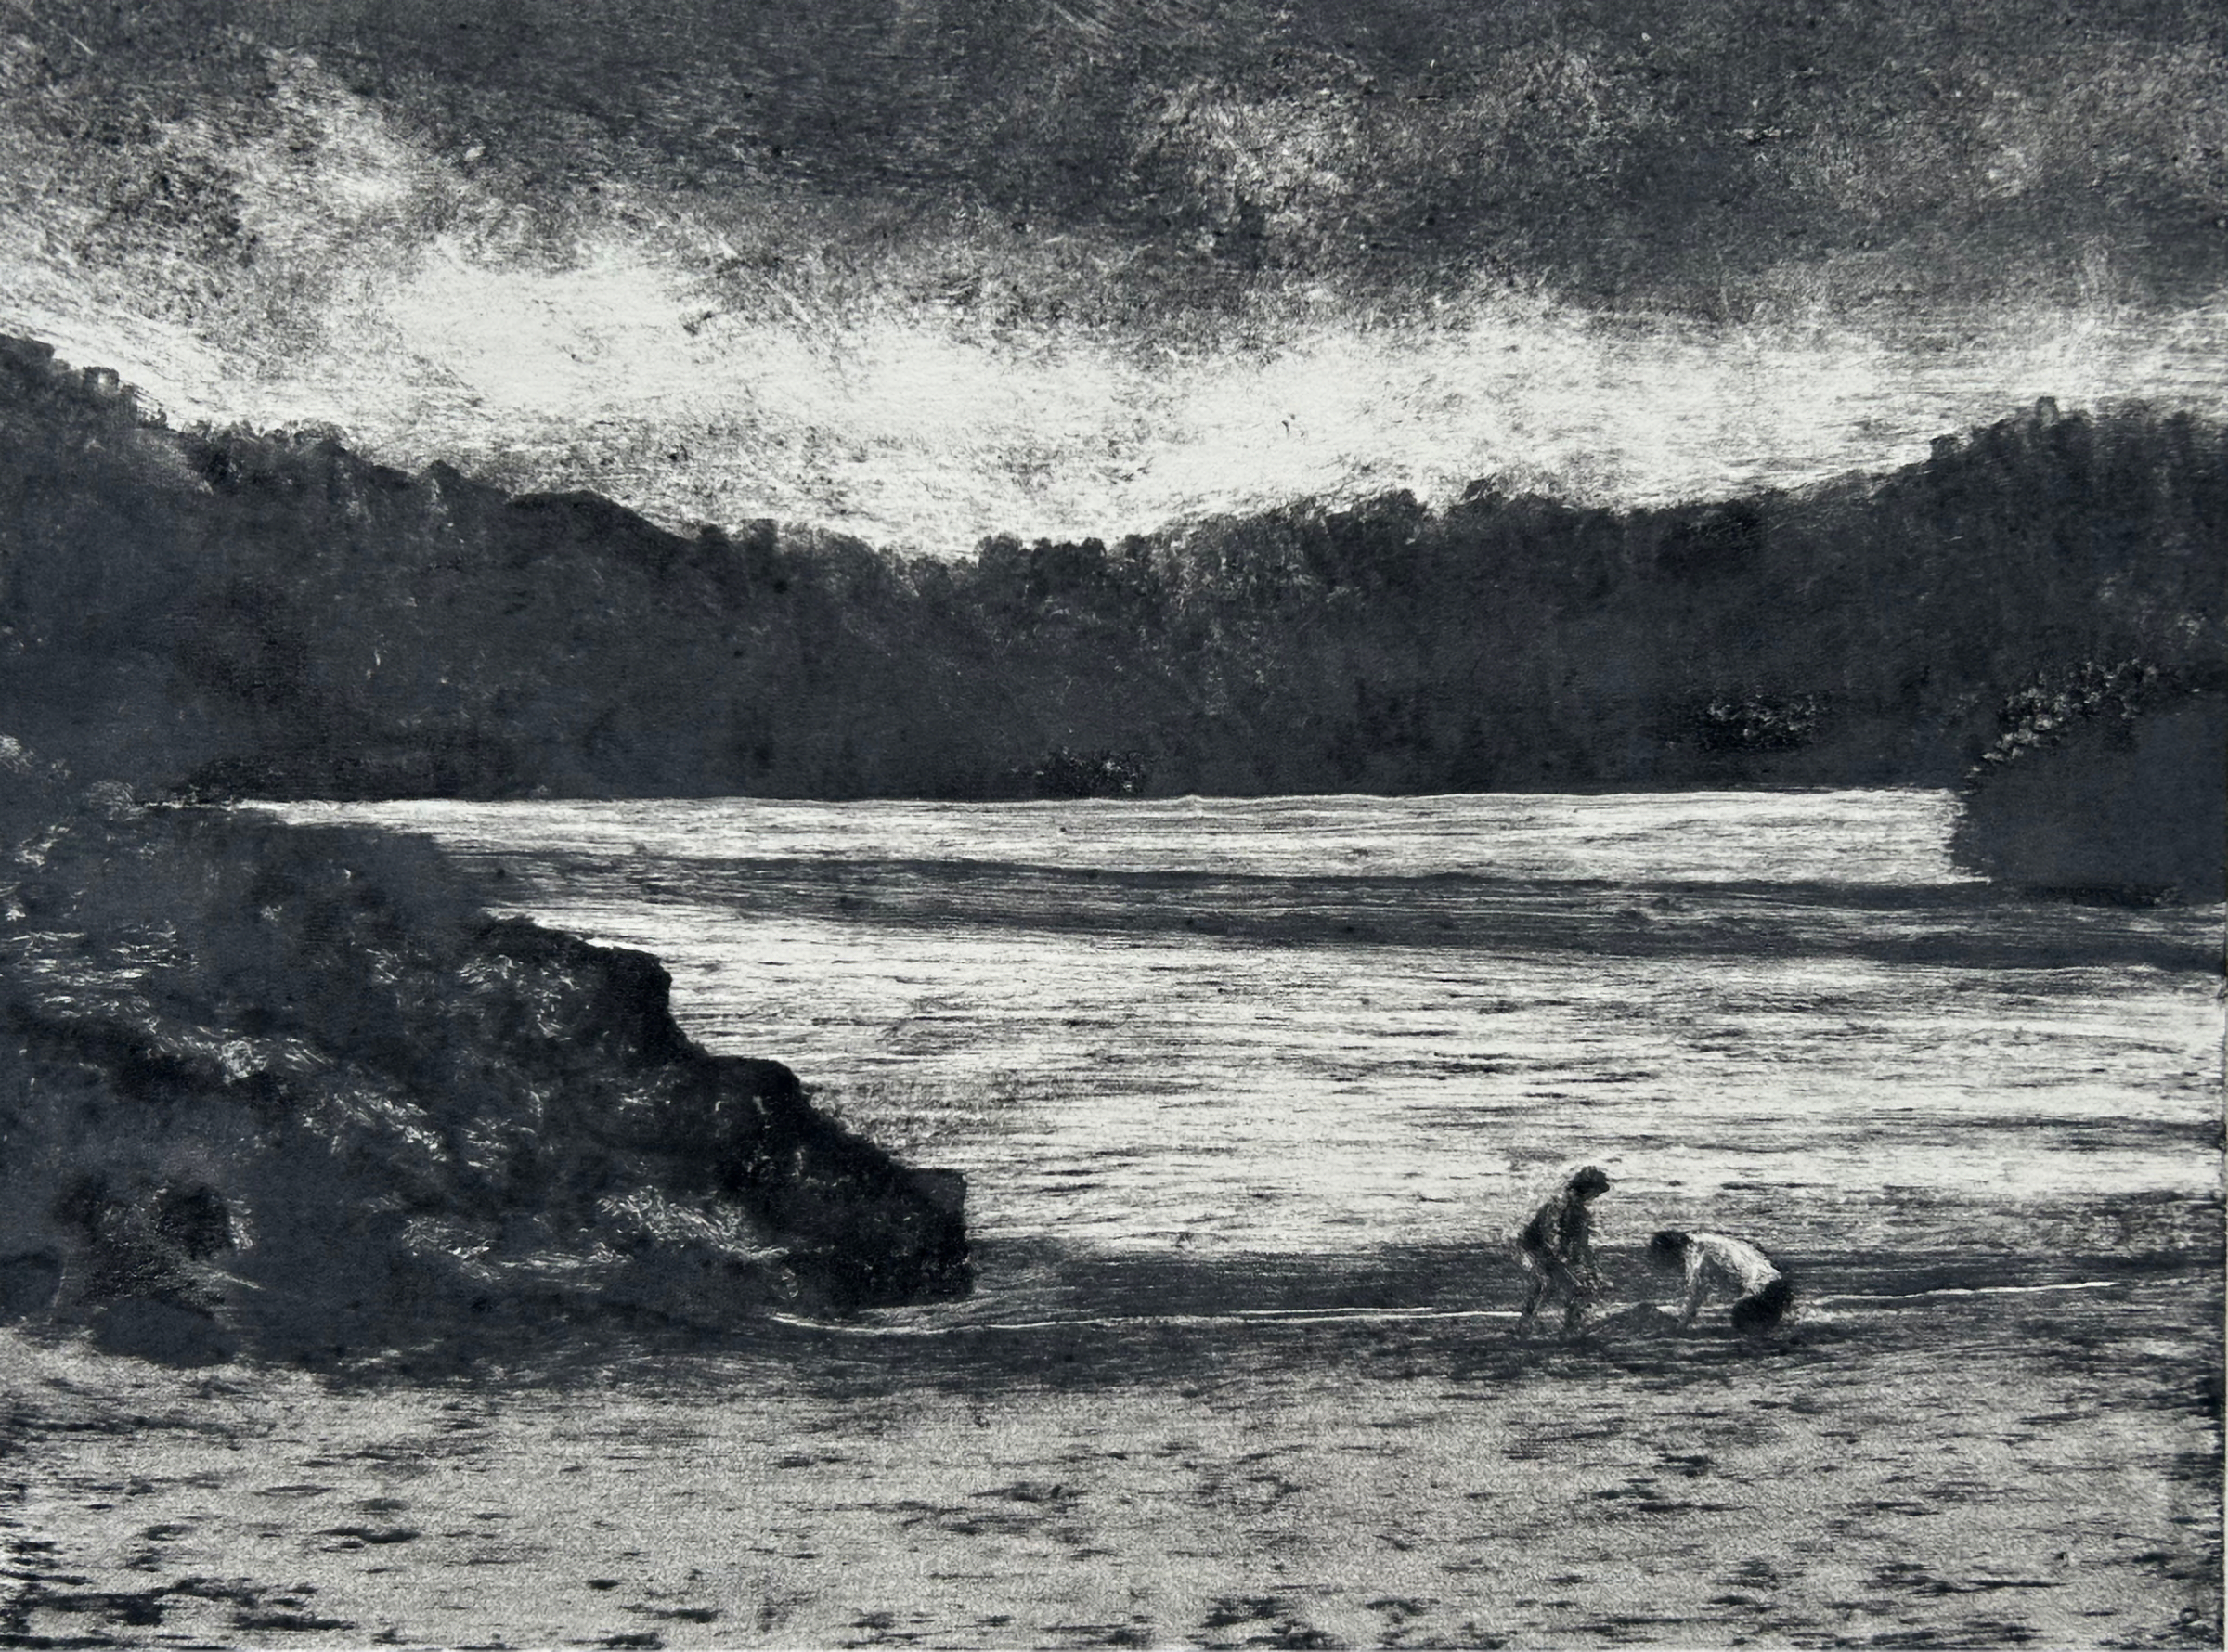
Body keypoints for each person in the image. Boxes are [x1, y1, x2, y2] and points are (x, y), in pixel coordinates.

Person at [1515, 1166, 1610, 1336]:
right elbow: (1550, 1237)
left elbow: (1582, 1245)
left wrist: (1591, 1270)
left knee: (1570, 1287)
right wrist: (1566, 1263)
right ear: (1587, 1189)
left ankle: (1561, 1326)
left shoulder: (1579, 1211)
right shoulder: (1559, 1206)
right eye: (1594, 1193)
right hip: (1535, 1249)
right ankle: (1535, 1325)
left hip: (1551, 1252)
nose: (1595, 1197)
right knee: (1552, 1285)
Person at [1647, 1229, 1794, 1333]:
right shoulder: (1709, 1239)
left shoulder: (1697, 1254)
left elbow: (1696, 1293)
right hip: (1777, 1283)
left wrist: (1681, 1324)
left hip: (1762, 1295)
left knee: (1741, 1322)